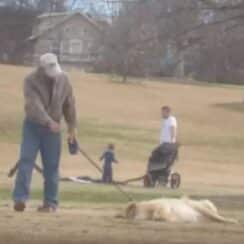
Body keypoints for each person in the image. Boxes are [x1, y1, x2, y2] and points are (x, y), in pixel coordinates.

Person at [13, 53, 77, 213]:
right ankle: (20, 199)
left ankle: (50, 203)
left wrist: (72, 127)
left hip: (53, 130)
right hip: (33, 126)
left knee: (51, 166)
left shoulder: (64, 79)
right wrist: (48, 122)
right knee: (26, 161)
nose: (53, 74)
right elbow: (34, 105)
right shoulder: (30, 81)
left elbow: (69, 104)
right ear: (41, 69)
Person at [147, 106, 178, 184]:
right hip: (163, 145)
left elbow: (173, 130)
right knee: (154, 157)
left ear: (167, 112)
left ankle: (164, 177)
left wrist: (172, 142)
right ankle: (154, 174)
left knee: (165, 161)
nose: (162, 114)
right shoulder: (165, 120)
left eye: (163, 112)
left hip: (168, 145)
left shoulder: (171, 120)